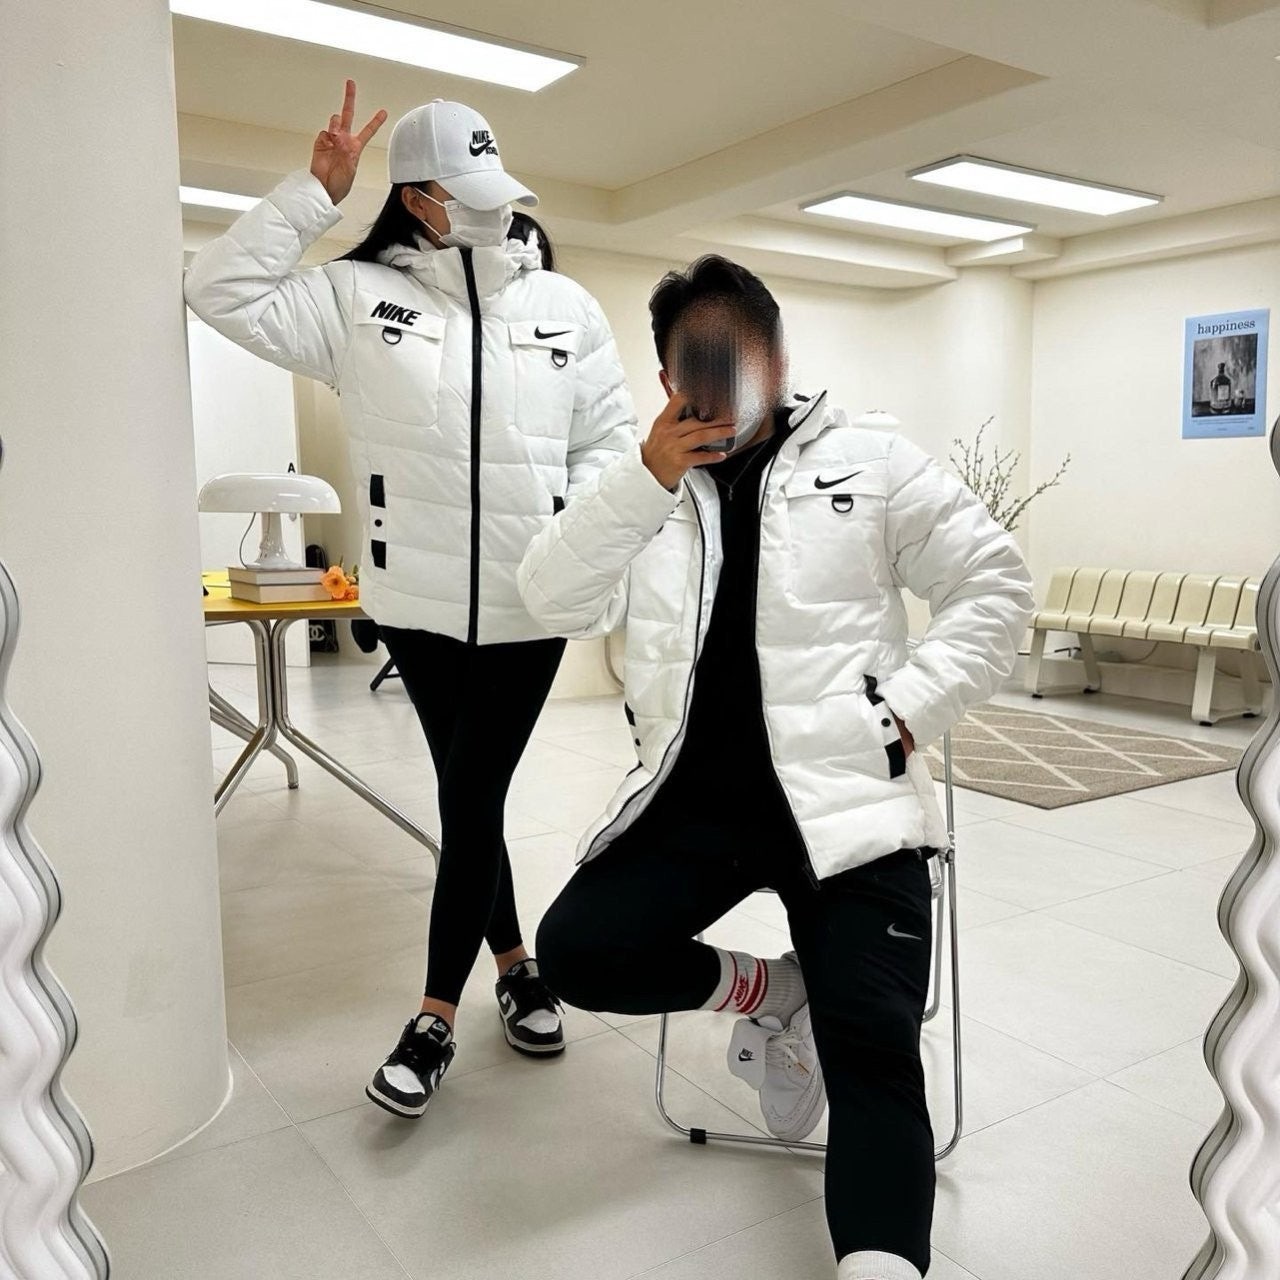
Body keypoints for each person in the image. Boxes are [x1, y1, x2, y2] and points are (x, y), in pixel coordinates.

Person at [517, 255, 1035, 1280]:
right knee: (574, 953)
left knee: (871, 1040)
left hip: (848, 807)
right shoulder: (641, 486)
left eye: (746, 364)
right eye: (702, 373)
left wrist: (908, 707)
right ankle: (768, 990)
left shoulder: (872, 461)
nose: (729, 393)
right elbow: (548, 599)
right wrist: (644, 479)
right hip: (688, 807)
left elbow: (995, 584)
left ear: (782, 357)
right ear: (668, 381)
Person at [184, 81, 638, 1120]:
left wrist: (573, 543)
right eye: (466, 194)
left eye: (497, 191)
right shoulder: (354, 300)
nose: (491, 211)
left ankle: (433, 1019)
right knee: (472, 799)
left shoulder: (563, 308)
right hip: (415, 606)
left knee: (470, 798)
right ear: (419, 198)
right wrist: (315, 193)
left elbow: (608, 443)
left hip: (529, 604)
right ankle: (517, 967)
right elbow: (217, 290)